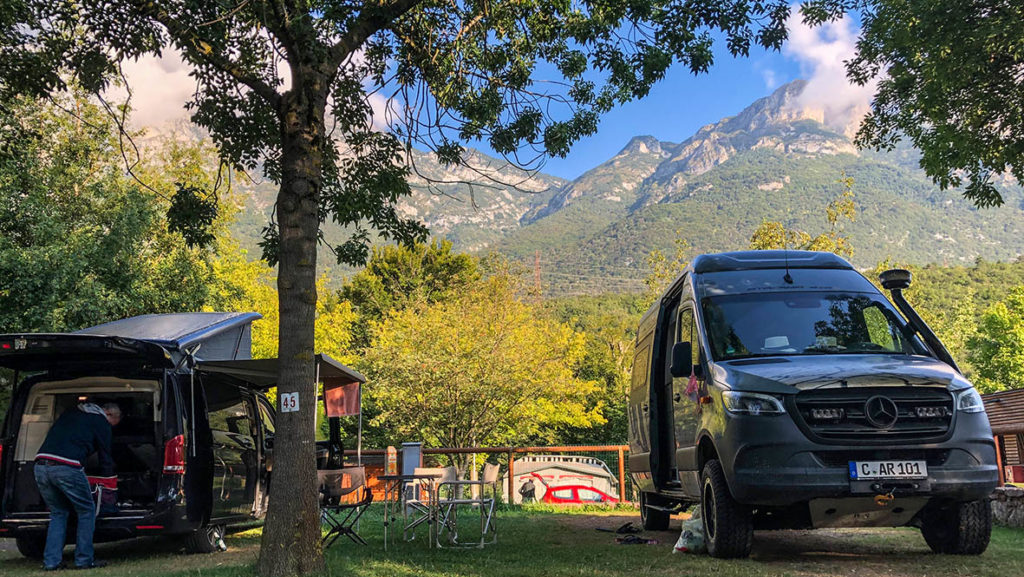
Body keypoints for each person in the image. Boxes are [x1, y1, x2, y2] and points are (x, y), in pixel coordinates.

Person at [34, 402, 121, 571]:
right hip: (66, 467)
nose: (111, 428)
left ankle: (51, 562)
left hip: (40, 464)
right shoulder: (101, 421)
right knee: (87, 510)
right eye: (113, 425)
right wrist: (110, 479)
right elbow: (105, 455)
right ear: (109, 415)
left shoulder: (70, 413)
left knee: (58, 512)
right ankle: (84, 560)